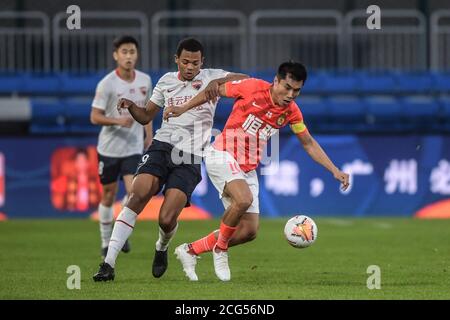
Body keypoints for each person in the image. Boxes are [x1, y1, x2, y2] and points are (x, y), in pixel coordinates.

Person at [164, 61, 350, 281]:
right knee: (243, 199)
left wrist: (334, 170)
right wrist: (182, 108)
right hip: (221, 154)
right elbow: (213, 91)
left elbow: (308, 142)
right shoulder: (251, 87)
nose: (291, 94)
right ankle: (220, 249)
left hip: (247, 169)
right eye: (287, 87)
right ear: (276, 81)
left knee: (248, 231)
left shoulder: (291, 112)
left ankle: (190, 250)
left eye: (297, 91)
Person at [92, 37, 248, 281]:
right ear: (176, 59)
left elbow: (247, 81)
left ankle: (161, 247)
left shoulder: (211, 76)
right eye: (185, 61)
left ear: (202, 62)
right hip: (162, 147)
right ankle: (108, 264)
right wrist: (132, 106)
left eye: (195, 63)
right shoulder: (165, 81)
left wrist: (219, 81)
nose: (190, 67)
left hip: (191, 156)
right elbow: (145, 117)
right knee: (138, 193)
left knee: (166, 219)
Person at [90, 35, 153, 259]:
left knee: (135, 191)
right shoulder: (107, 84)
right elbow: (94, 117)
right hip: (109, 149)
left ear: (137, 55)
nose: (128, 56)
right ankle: (106, 240)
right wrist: (117, 121)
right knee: (108, 195)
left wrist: (148, 134)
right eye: (124, 52)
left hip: (133, 148)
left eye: (132, 52)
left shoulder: (145, 80)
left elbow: (147, 111)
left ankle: (121, 232)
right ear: (116, 55)